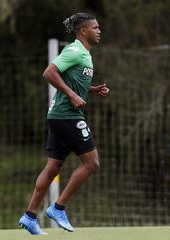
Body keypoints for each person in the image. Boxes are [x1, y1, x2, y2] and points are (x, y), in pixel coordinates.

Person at [18, 13, 109, 235]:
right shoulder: (74, 50)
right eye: (95, 28)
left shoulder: (84, 54)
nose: (99, 31)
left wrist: (91, 90)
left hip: (59, 116)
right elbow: (49, 72)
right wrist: (71, 95)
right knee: (92, 163)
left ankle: (30, 216)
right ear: (84, 31)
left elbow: (72, 81)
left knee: (53, 167)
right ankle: (58, 208)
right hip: (68, 116)